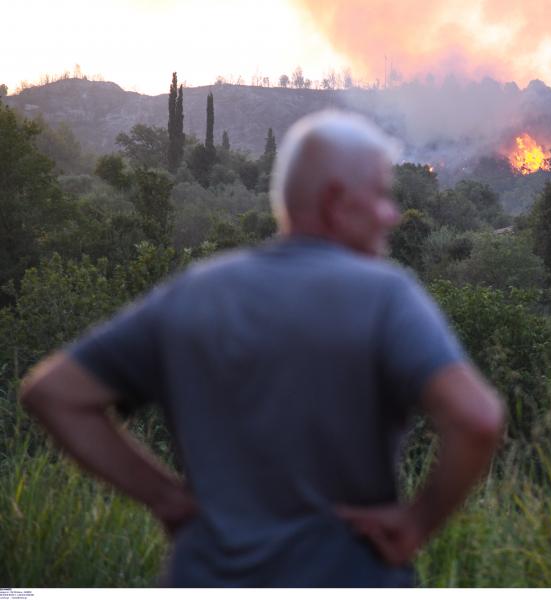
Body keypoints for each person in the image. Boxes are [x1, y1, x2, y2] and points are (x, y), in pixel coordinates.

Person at [20, 110, 505, 587]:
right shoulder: (385, 294)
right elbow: (477, 418)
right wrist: (417, 523)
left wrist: (164, 498)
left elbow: (54, 393)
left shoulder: (195, 292)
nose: (392, 214)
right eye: (380, 195)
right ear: (335, 201)